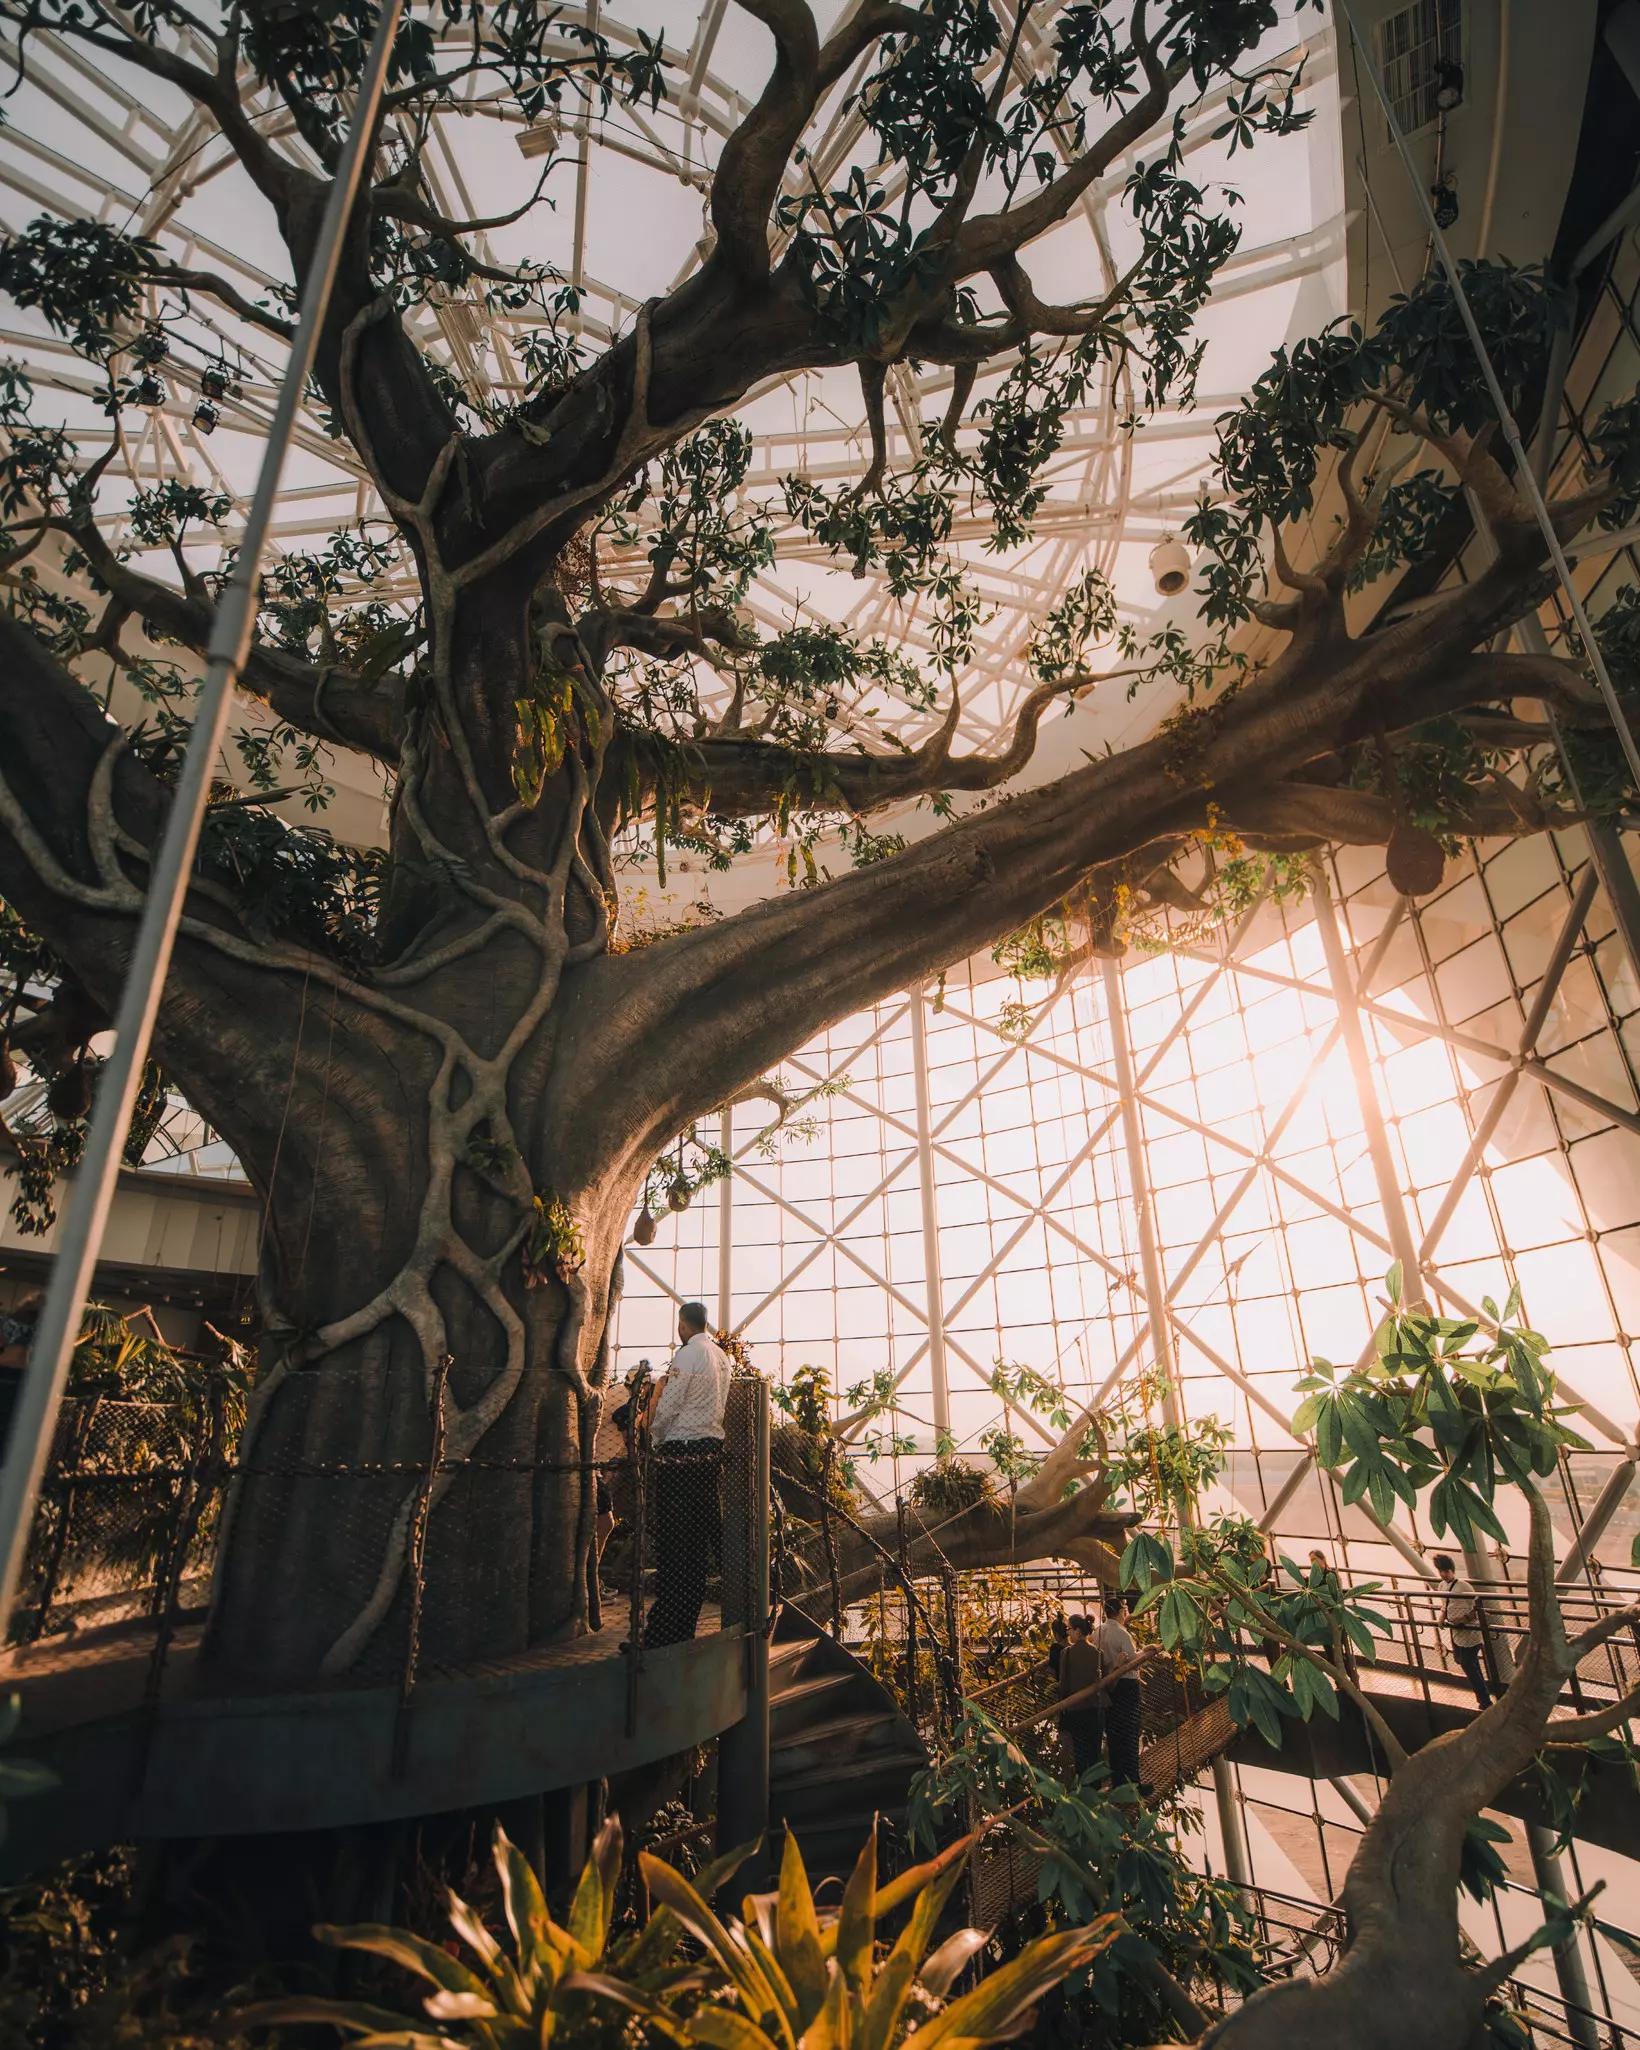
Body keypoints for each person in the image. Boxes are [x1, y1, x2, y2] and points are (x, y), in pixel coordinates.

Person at [642, 1303, 732, 1647]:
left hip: (680, 1451)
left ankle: (661, 1632)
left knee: (672, 1542)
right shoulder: (723, 1358)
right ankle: (684, 1627)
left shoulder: (686, 1355)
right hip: (710, 1452)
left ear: (683, 1323)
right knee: (695, 1544)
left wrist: (655, 1437)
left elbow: (670, 1404)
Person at [1098, 1591, 1146, 1795]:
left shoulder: (1098, 1631)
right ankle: (1133, 1782)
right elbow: (1133, 1660)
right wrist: (1148, 1650)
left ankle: (1118, 1781)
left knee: (1115, 1733)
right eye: (1124, 1611)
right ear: (1119, 1612)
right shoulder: (1122, 1633)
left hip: (1109, 1684)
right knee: (1130, 1732)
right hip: (1126, 1685)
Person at [1435, 1552, 1494, 1708]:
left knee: (1468, 1664)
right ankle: (1484, 1697)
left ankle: (1484, 1700)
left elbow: (1478, 1607)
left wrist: (1464, 1619)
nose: (1443, 1574)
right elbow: (1445, 1605)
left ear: (1452, 1570)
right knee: (1467, 1663)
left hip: (1471, 1633)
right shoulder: (1442, 1586)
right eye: (1440, 1571)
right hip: (1456, 1632)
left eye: (1445, 1571)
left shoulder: (1463, 1586)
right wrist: (1442, 1616)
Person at [1057, 1613, 1105, 1781]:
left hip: (1075, 1709)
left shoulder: (1067, 1653)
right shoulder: (1098, 1653)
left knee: (1079, 1752)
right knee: (1094, 1751)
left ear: (1077, 1631)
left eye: (1069, 1629)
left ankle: (1082, 1788)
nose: (1068, 1633)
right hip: (1093, 1709)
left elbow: (1063, 1685)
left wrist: (1062, 1708)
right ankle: (1096, 1787)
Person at [1046, 1611, 1069, 1682]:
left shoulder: (1056, 1648)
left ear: (1056, 1634)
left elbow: (1052, 1669)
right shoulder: (1074, 1647)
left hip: (1060, 1682)